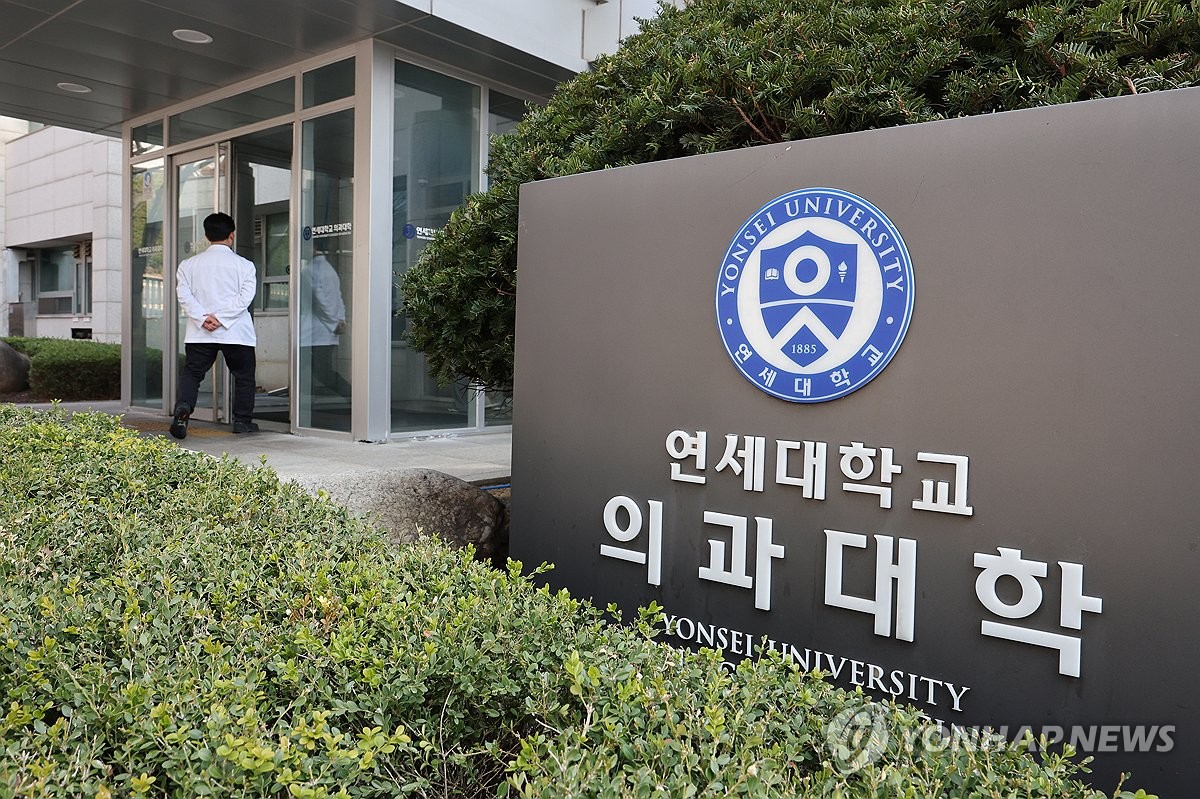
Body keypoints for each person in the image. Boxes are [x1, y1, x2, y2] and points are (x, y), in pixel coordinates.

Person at [170, 212, 258, 439]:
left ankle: (184, 408)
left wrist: (203, 318)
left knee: (193, 374)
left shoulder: (187, 265)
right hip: (236, 332)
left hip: (200, 333)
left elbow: (184, 296)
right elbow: (245, 298)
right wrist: (222, 319)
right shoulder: (245, 266)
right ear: (232, 235)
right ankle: (242, 422)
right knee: (244, 377)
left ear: (207, 235)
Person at [299, 244, 350, 397]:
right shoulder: (330, 269)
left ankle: (351, 394)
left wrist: (333, 323)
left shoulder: (309, 271)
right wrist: (340, 319)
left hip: (314, 332)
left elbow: (320, 301)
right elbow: (338, 298)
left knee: (320, 371)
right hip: (326, 331)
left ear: (313, 247)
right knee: (306, 368)